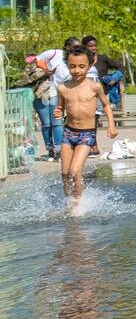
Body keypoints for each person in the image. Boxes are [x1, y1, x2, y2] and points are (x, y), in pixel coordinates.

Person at [54, 46, 116, 200]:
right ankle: (68, 200)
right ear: (67, 65)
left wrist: (111, 124)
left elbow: (106, 105)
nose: (76, 70)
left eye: (81, 66)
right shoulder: (63, 88)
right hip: (68, 133)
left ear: (89, 66)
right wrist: (58, 111)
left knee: (74, 171)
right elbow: (60, 107)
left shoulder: (94, 87)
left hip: (86, 134)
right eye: (72, 66)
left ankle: (77, 204)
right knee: (65, 173)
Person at [32, 36, 80, 161]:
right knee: (46, 124)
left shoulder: (76, 59)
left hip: (58, 94)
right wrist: (44, 70)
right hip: (43, 92)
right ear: (67, 46)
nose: (76, 49)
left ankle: (59, 151)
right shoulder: (54, 53)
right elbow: (34, 60)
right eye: (74, 47)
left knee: (57, 123)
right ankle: (50, 150)